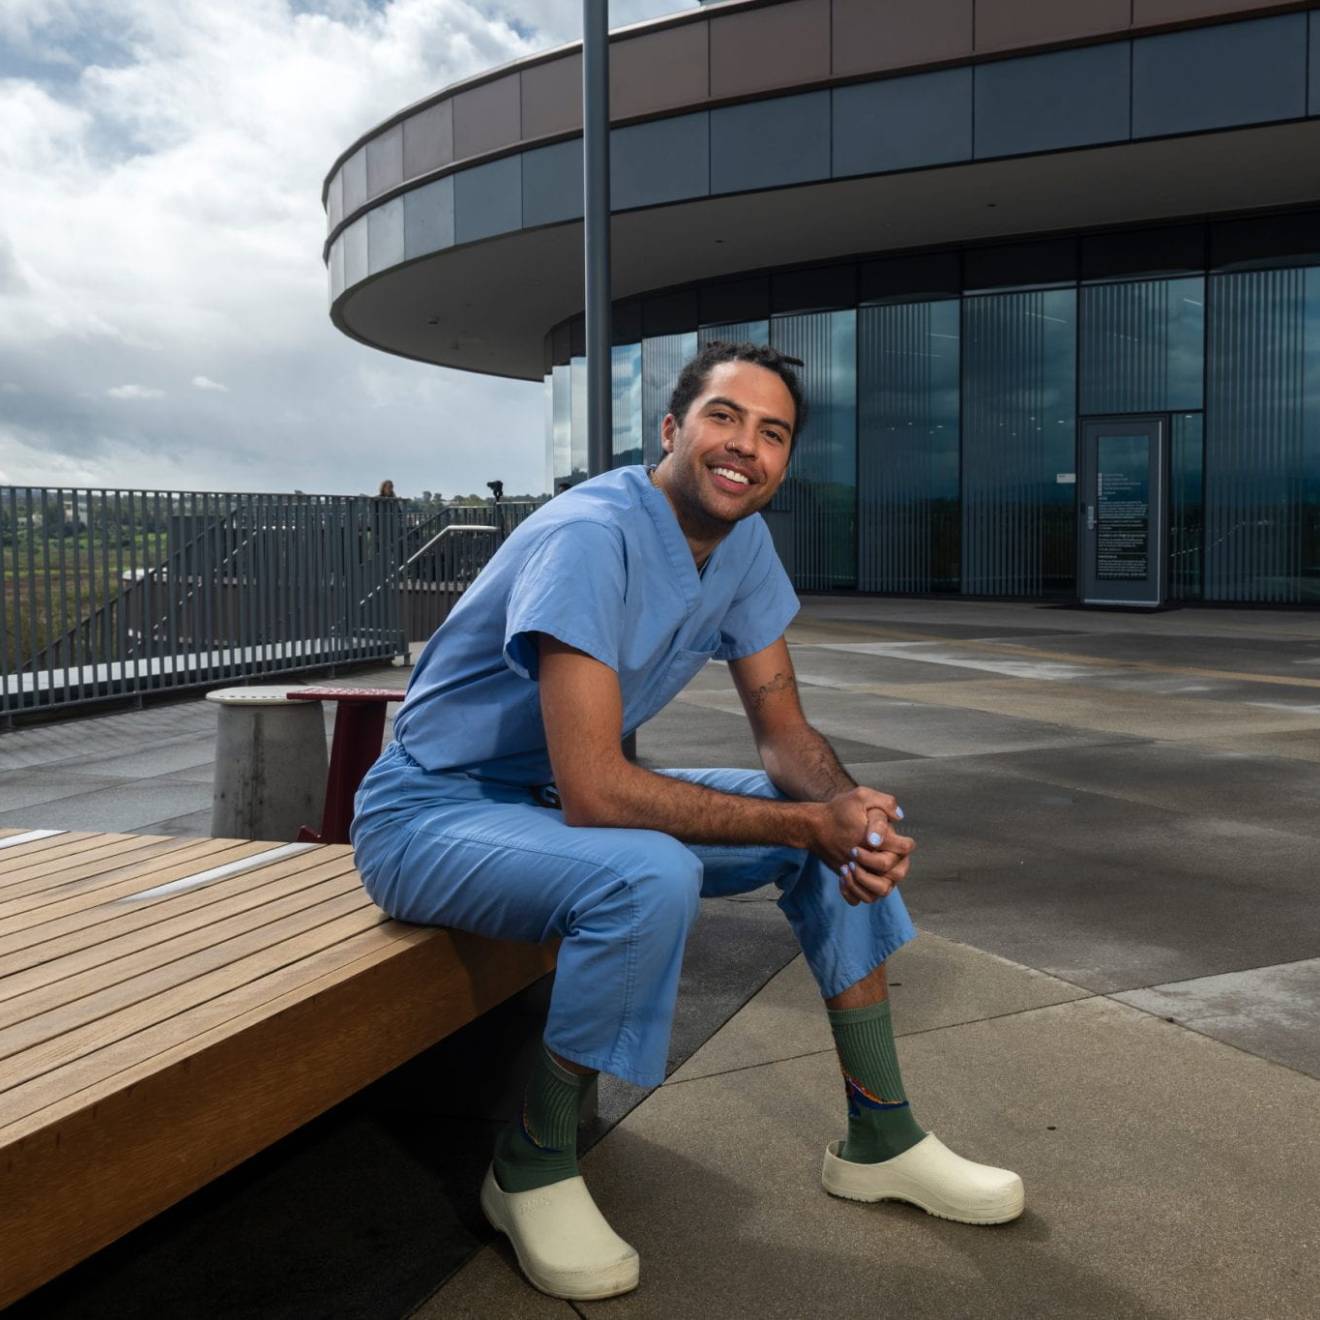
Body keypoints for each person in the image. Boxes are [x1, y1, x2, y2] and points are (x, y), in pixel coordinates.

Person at [351, 342, 1023, 1302]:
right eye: (724, 417)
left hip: (546, 805)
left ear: (784, 462)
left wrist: (848, 812)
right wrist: (806, 828)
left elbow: (784, 736)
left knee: (823, 826)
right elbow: (596, 792)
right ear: (671, 431)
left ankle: (881, 1134)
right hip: (431, 811)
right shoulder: (593, 535)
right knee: (647, 872)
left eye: (772, 432)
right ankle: (531, 1165)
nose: (745, 445)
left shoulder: (740, 545)